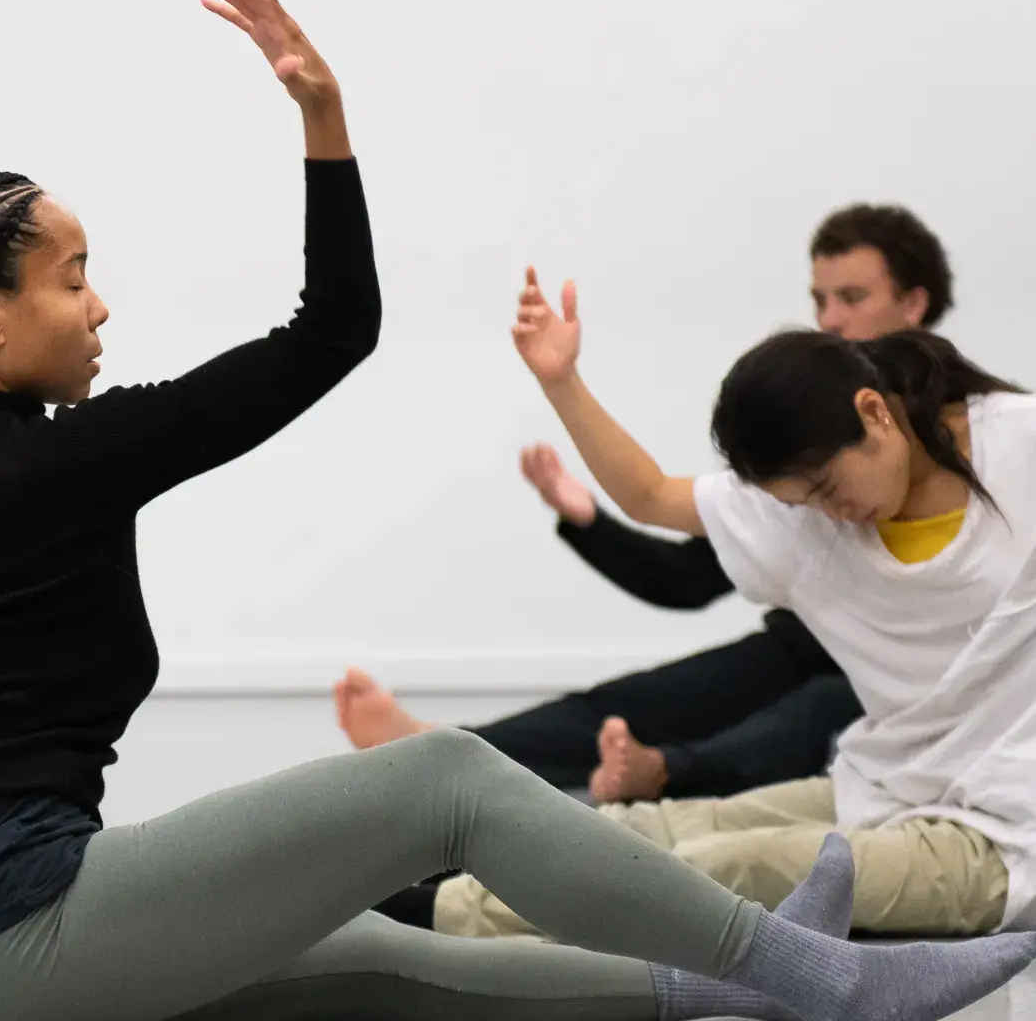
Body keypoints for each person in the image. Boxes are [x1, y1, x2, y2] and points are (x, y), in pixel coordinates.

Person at [0, 0, 1036, 1021]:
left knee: (363, 949)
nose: (97, 301)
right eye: (71, 275)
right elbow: (330, 331)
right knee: (438, 780)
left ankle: (750, 981)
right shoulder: (73, 458)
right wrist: (321, 115)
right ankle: (834, 982)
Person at [431, 266, 1036, 943]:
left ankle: (421, 921)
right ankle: (392, 877)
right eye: (798, 500)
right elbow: (651, 495)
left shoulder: (1016, 447)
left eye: (829, 486)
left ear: (873, 411)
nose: (828, 512)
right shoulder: (807, 516)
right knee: (650, 828)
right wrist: (560, 382)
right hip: (889, 789)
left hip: (1004, 844)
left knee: (732, 865)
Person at [337, 204, 957, 804]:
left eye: (851, 298)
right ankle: (446, 756)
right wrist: (586, 515)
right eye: (819, 301)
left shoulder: (976, 438)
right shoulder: (800, 447)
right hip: (806, 648)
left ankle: (656, 774)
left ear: (914, 301)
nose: (829, 320)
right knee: (633, 704)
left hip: (914, 685)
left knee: (815, 712)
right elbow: (681, 564)